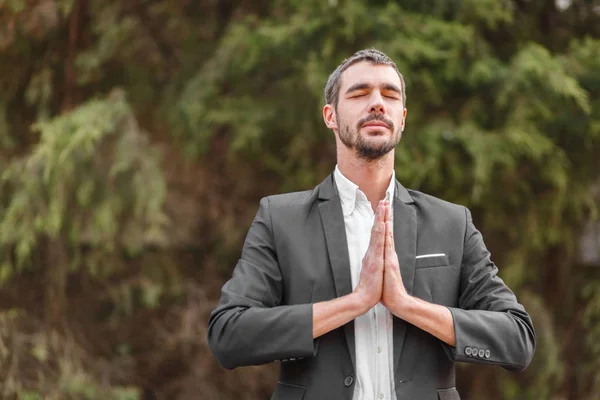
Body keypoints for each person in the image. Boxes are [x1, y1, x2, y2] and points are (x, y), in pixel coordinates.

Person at [207, 48, 536, 400]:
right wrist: (355, 302)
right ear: (330, 115)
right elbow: (229, 334)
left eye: (389, 95)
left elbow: (517, 339)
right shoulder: (279, 219)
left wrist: (407, 305)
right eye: (360, 93)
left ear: (403, 118)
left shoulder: (452, 223)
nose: (377, 103)